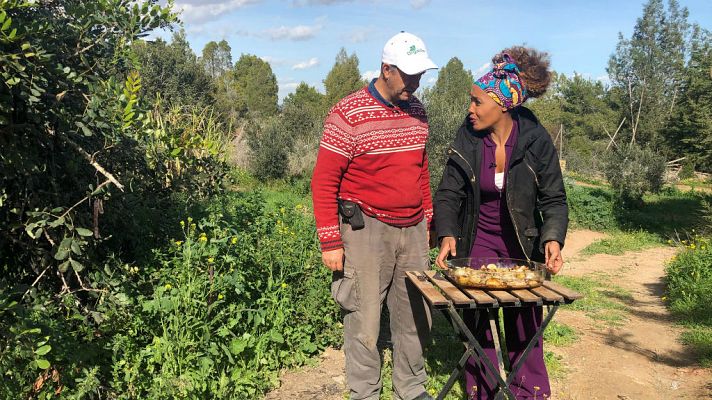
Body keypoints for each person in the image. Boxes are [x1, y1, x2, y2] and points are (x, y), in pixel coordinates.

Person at [433, 47, 568, 399]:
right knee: (475, 323)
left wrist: (552, 238)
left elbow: (553, 197)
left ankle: (530, 393)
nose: (470, 109)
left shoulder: (536, 139)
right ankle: (485, 392)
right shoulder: (468, 135)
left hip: (521, 245)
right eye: (470, 101)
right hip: (476, 241)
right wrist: (447, 233)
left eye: (478, 102)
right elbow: (449, 192)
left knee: (525, 323)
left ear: (504, 103)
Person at [311, 31, 438, 400]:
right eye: (408, 75)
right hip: (366, 231)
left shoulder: (417, 110)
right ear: (386, 68)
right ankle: (365, 392)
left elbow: (421, 168)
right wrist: (330, 241)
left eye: (419, 76)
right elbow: (323, 182)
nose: (415, 83)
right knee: (364, 318)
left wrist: (428, 218)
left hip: (413, 229)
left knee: (415, 314)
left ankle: (410, 389)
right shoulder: (347, 114)